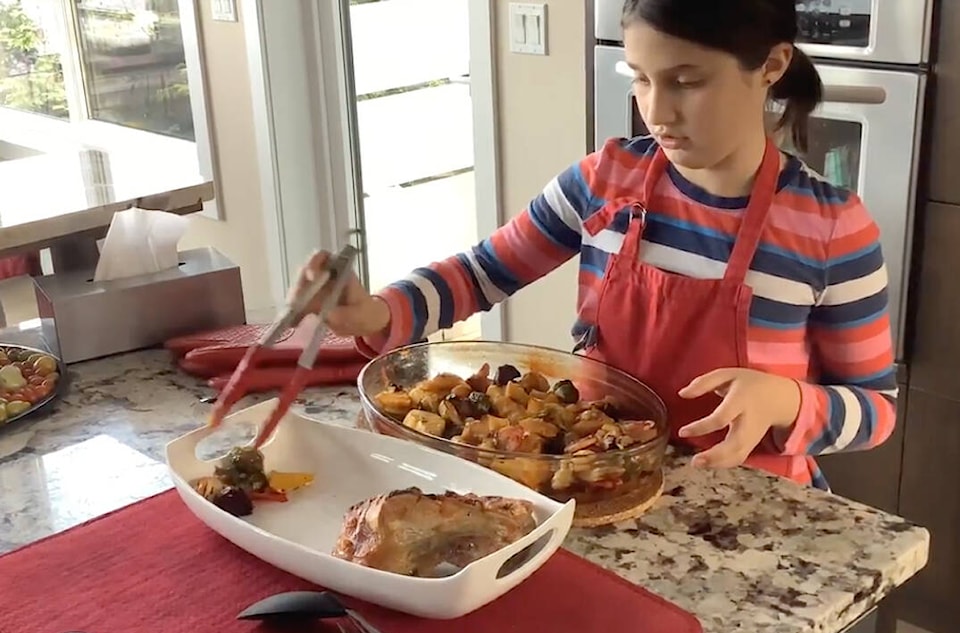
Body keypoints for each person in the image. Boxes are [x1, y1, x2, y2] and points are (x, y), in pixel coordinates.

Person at [290, 0, 897, 490]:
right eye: (641, 79)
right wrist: (374, 313)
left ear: (771, 64)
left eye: (688, 82)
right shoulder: (603, 183)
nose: (657, 112)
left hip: (747, 502)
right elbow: (481, 273)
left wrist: (789, 399)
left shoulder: (829, 226)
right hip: (588, 476)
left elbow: (877, 410)